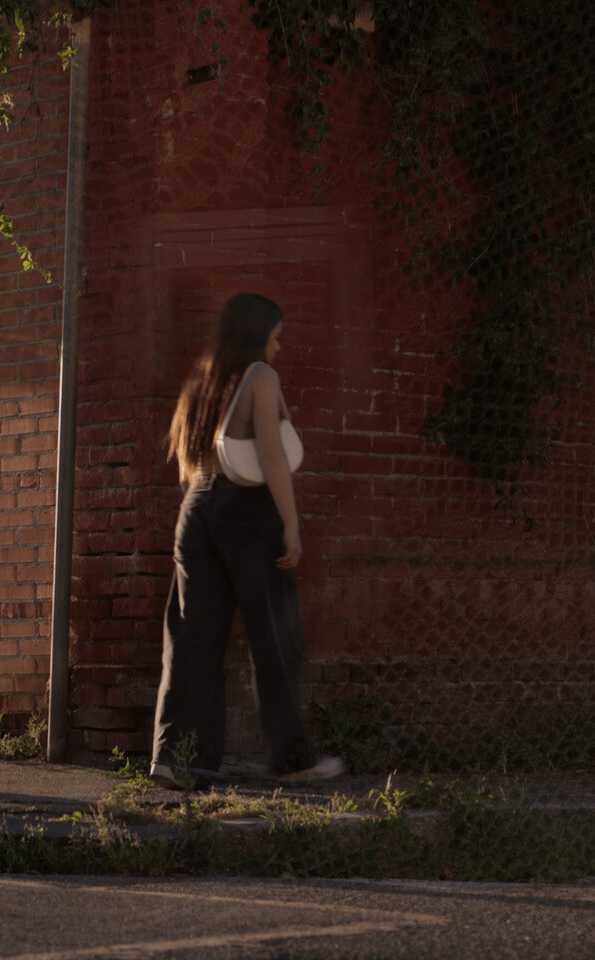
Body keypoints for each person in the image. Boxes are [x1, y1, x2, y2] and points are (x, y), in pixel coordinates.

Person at [150, 292, 344, 789]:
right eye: (276, 337)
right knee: (276, 636)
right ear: (259, 336)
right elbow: (273, 456)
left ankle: (177, 759)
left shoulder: (202, 381)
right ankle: (293, 761)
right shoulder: (261, 377)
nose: (279, 347)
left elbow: (190, 462)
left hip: (196, 508)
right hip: (246, 510)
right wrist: (291, 524)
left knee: (193, 639)